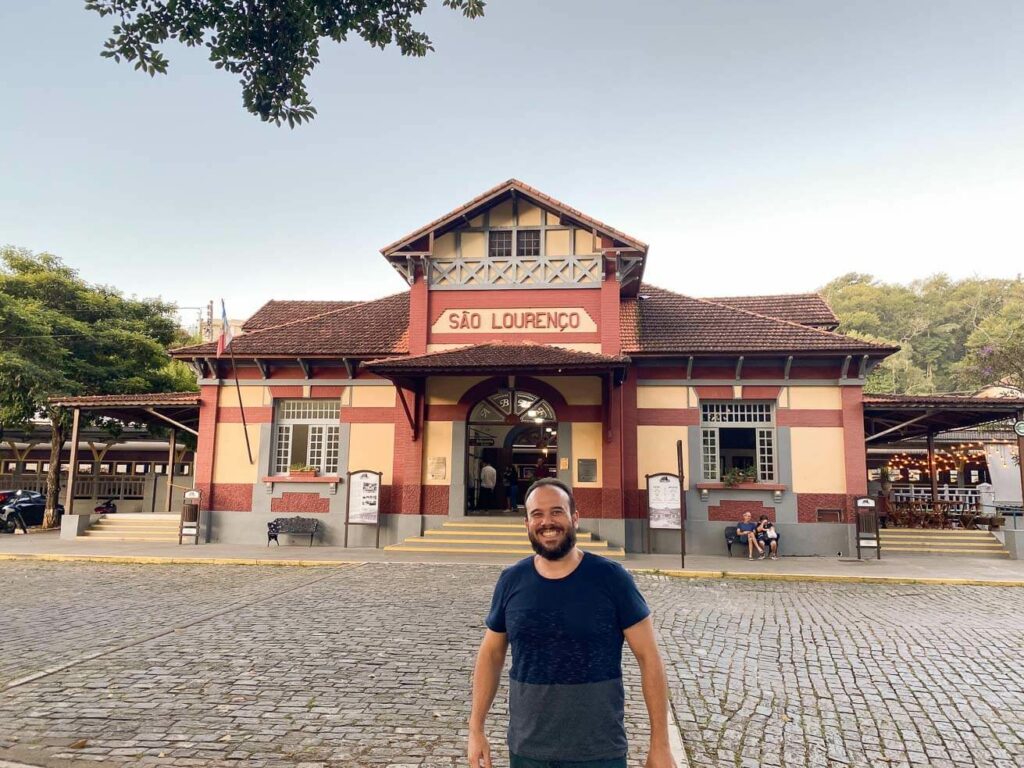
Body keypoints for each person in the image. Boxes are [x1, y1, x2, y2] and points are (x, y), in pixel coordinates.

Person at [468, 478, 676, 768]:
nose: (547, 522)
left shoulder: (612, 579)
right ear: (526, 523)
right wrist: (476, 729)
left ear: (575, 518)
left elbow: (649, 658)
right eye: (537, 515)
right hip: (528, 749)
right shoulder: (511, 580)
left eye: (556, 511)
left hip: (598, 751)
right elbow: (491, 654)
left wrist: (660, 746)